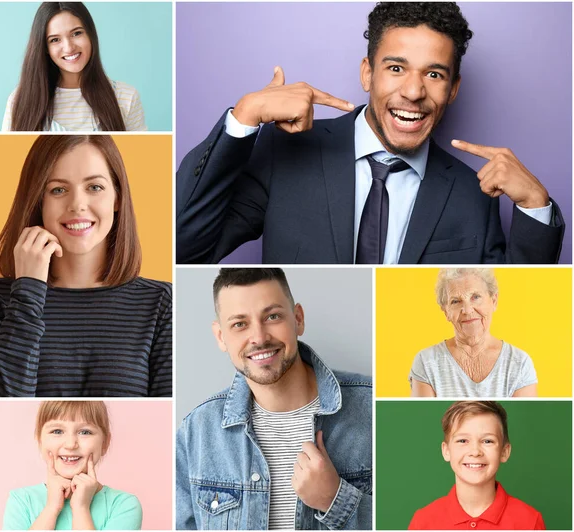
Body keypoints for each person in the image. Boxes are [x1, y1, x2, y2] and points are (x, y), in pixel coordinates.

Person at [176, 2, 564, 264]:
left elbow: (508, 314)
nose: (413, 92)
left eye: (434, 74)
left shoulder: (472, 193)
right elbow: (185, 247)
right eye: (396, 68)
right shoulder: (286, 153)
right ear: (367, 73)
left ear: (453, 88)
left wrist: (535, 207)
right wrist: (243, 119)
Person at [0, 135, 172, 397]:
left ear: (117, 198)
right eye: (58, 189)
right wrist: (28, 291)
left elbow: (164, 423)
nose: (77, 204)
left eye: (94, 187)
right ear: (38, 201)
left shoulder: (160, 303)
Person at [176, 268, 372, 530]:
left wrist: (334, 500)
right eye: (239, 324)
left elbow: (419, 522)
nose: (259, 337)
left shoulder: (374, 409)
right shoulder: (197, 432)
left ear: (298, 319)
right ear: (221, 336)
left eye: (272, 316)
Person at [2, 2, 146, 131]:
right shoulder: (19, 101)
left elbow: (141, 158)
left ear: (90, 35)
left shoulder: (125, 97)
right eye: (55, 40)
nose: (69, 47)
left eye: (76, 33)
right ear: (45, 47)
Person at [3, 400, 142, 530]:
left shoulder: (124, 505)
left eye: (85, 432)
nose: (70, 444)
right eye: (57, 431)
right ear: (40, 441)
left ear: (105, 443)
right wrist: (51, 508)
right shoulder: (21, 501)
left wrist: (81, 508)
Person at [408, 401, 545, 529]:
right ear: (446, 451)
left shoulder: (529, 521)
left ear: (504, 452)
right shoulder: (423, 522)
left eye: (487, 441)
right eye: (462, 440)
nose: (475, 452)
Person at [409, 268, 537, 397]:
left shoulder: (519, 363)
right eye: (456, 301)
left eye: (475, 297)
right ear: (446, 311)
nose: (467, 310)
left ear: (494, 301)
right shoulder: (426, 361)